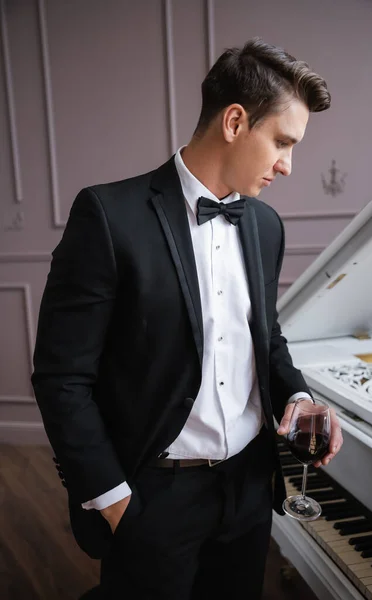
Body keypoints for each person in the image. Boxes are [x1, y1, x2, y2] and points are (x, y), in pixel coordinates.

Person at [31, 38, 343, 599]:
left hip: (249, 491)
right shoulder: (107, 215)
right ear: (234, 121)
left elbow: (265, 340)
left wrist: (297, 398)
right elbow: (61, 377)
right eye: (282, 142)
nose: (287, 165)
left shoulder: (266, 226)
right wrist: (116, 502)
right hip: (153, 499)